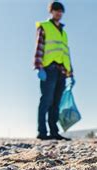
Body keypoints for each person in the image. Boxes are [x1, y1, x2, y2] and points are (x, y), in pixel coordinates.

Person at [34, 1, 75, 141]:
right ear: (51, 11)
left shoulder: (64, 33)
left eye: (61, 11)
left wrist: (71, 73)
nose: (59, 13)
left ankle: (54, 132)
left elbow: (66, 53)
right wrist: (38, 67)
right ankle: (42, 132)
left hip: (62, 72)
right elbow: (39, 47)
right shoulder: (44, 27)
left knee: (56, 103)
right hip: (48, 69)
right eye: (56, 10)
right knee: (46, 100)